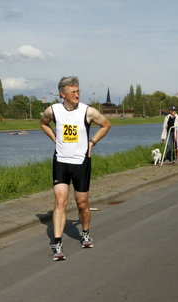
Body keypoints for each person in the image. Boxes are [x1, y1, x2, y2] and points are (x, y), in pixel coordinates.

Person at [40, 76, 111, 261]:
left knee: (82, 204)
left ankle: (85, 232)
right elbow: (43, 123)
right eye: (73, 92)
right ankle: (57, 243)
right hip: (61, 161)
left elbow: (106, 125)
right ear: (62, 94)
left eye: (78, 91)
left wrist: (92, 142)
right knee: (60, 201)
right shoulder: (53, 110)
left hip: (81, 162)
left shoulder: (88, 111)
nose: (77, 94)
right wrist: (55, 139)